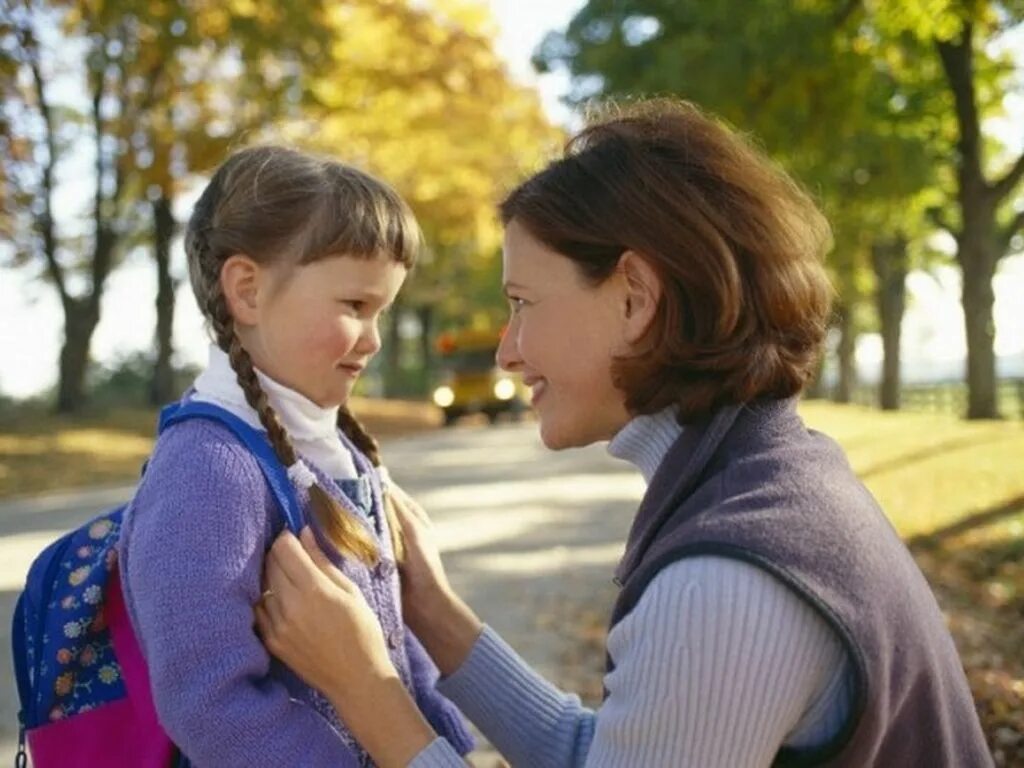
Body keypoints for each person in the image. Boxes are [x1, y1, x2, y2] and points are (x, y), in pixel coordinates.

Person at [254, 101, 993, 768]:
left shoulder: (725, 583)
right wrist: (437, 618)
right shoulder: (773, 477)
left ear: (635, 299)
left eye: (523, 303)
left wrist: (366, 689)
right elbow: (614, 754)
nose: (508, 351)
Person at [118, 146, 473, 766]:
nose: (374, 339)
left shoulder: (340, 453)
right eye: (355, 307)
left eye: (382, 311)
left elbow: (394, 635)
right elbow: (208, 701)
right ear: (247, 291)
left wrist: (446, 744)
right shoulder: (208, 468)